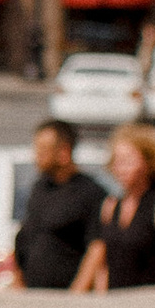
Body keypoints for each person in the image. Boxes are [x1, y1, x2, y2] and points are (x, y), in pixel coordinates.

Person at [73, 126, 155, 292]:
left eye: (128, 161)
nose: (121, 169)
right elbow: (104, 265)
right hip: (115, 302)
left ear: (148, 163)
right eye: (117, 161)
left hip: (149, 300)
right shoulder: (111, 205)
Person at [15, 116, 105, 291]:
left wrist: (77, 293)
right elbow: (26, 237)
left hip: (65, 297)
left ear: (64, 152)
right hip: (32, 293)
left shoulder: (90, 193)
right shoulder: (40, 187)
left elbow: (96, 247)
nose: (37, 156)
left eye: (43, 150)